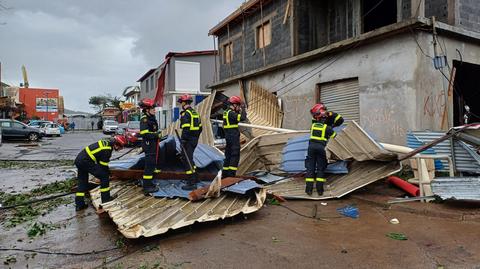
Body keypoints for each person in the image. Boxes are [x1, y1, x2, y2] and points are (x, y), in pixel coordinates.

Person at [74, 135, 127, 211]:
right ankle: (106, 199)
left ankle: (79, 205)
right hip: (86, 162)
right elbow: (103, 166)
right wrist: (108, 174)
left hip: (79, 160)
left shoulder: (105, 143)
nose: (120, 149)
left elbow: (99, 161)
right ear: (116, 144)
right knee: (104, 178)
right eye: (121, 147)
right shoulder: (108, 149)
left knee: (82, 182)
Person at [305, 104, 337, 196]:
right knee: (320, 168)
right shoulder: (327, 128)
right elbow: (335, 136)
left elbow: (314, 121)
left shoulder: (313, 126)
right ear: (324, 119)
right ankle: (320, 191)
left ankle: (309, 190)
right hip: (321, 149)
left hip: (311, 148)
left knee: (310, 168)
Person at [178, 94, 203, 190]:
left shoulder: (186, 114)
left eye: (181, 103)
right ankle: (196, 178)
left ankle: (191, 182)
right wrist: (195, 137)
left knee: (186, 160)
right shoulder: (195, 113)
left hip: (187, 140)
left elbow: (186, 129)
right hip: (194, 140)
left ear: (184, 103)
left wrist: (183, 141)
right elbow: (200, 128)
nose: (181, 104)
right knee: (190, 159)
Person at [222, 96, 247, 178]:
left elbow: (234, 119)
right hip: (233, 137)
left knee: (228, 155)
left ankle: (225, 175)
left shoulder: (226, 112)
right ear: (234, 104)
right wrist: (243, 109)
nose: (239, 107)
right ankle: (231, 176)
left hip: (228, 136)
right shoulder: (232, 113)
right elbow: (242, 118)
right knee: (235, 155)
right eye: (238, 105)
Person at [139, 98, 161, 194]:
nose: (154, 110)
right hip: (149, 145)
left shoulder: (151, 118)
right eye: (153, 108)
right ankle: (146, 187)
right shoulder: (144, 119)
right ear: (147, 109)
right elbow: (144, 133)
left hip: (153, 145)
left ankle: (150, 183)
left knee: (152, 165)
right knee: (149, 166)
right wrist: (156, 135)